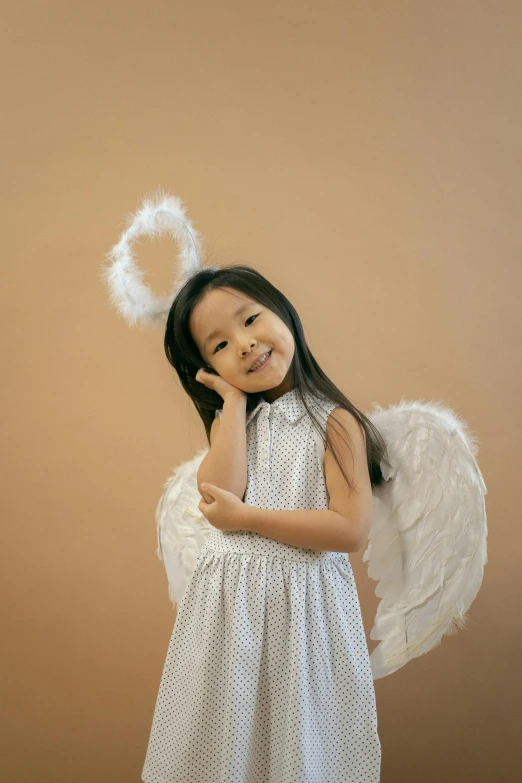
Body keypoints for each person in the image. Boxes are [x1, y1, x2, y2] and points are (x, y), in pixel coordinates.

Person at [141, 264, 390, 783]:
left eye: (251, 319)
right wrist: (230, 405)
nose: (246, 345)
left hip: (301, 610)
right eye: (220, 346)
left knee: (299, 747)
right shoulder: (236, 426)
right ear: (206, 368)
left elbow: (349, 529)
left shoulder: (333, 421)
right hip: (229, 615)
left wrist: (247, 519)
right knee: (222, 745)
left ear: (284, 314)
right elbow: (220, 493)